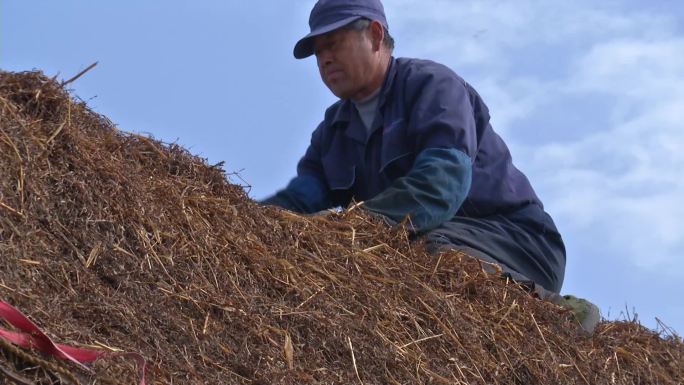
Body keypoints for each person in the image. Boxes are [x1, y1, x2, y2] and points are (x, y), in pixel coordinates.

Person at [262, 0, 599, 332]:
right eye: (318, 53)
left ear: (376, 35)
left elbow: (442, 183)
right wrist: (239, 220)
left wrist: (355, 224)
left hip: (515, 239)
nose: (325, 59)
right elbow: (300, 201)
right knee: (400, 252)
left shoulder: (431, 86)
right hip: (430, 237)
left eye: (333, 44)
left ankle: (555, 313)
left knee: (422, 250)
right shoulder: (332, 132)